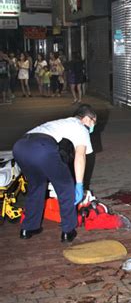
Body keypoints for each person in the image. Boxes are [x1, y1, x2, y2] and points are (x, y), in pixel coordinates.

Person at [12, 103, 97, 242]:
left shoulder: (60, 123)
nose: (93, 127)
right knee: (66, 186)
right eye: (94, 122)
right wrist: (79, 184)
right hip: (42, 147)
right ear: (88, 119)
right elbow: (80, 156)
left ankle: (28, 228)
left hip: (20, 147)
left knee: (36, 185)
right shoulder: (81, 127)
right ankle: (68, 231)